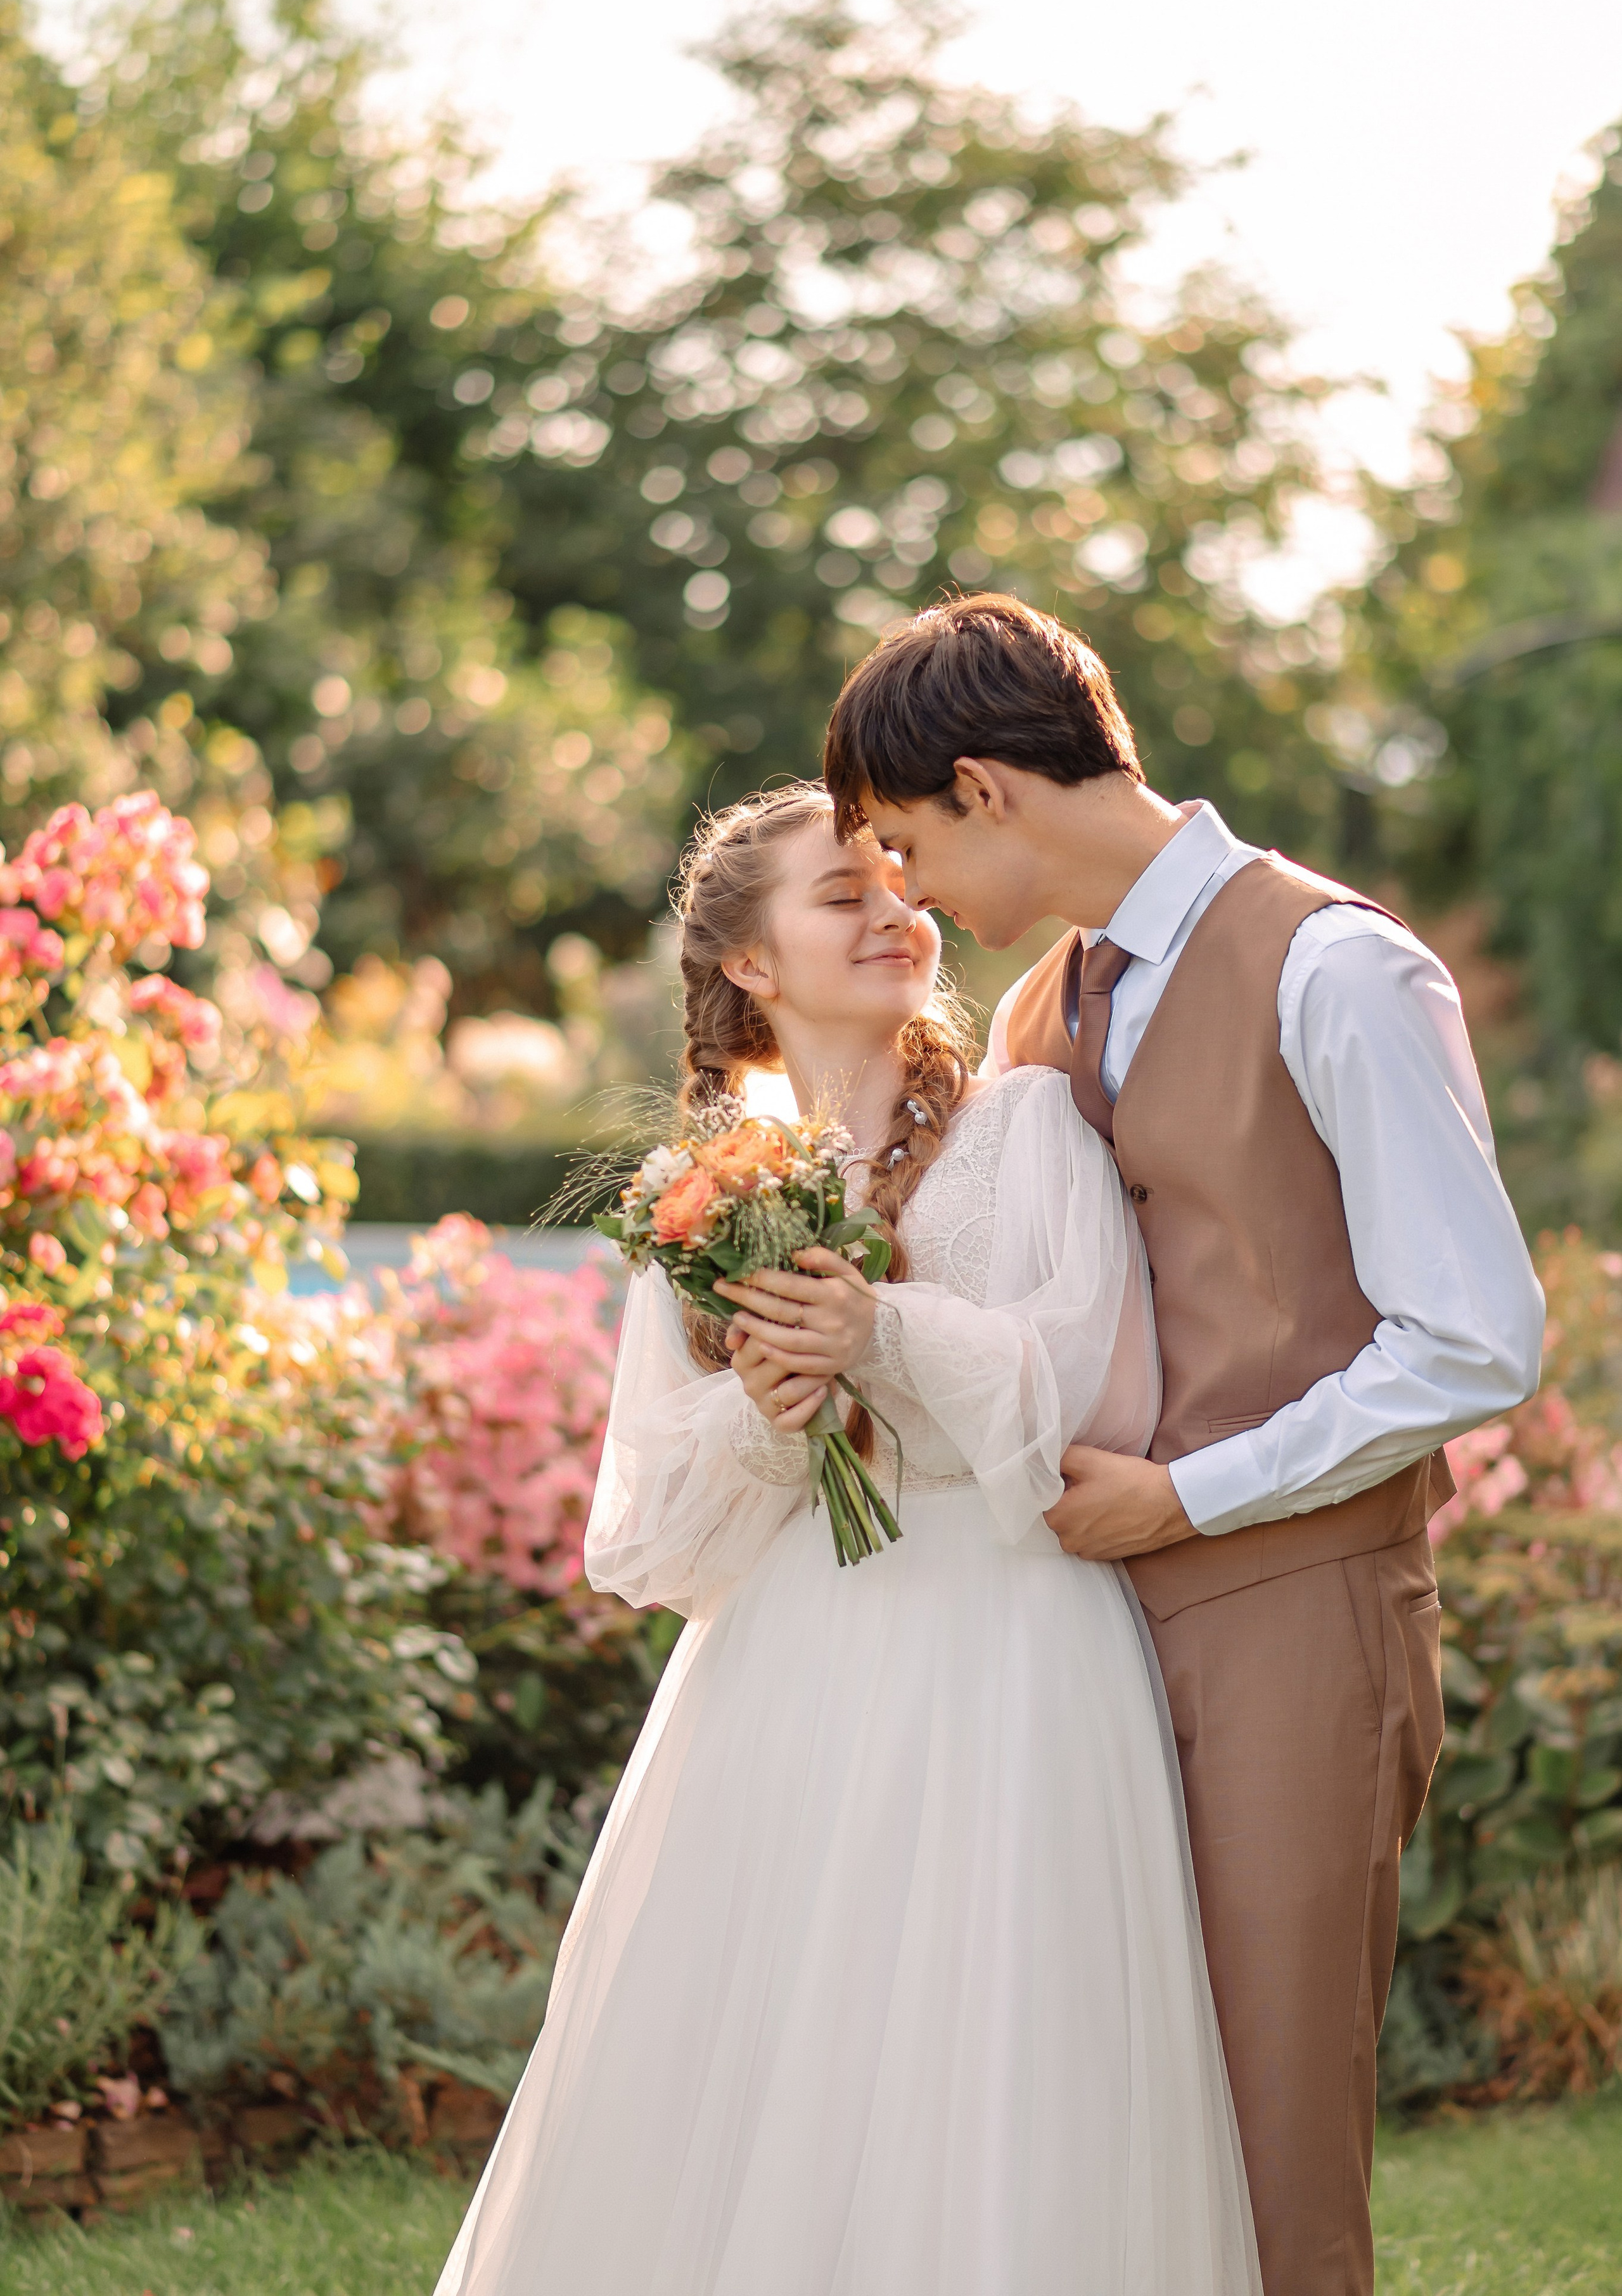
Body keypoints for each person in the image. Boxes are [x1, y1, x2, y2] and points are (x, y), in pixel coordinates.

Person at [435, 780, 1261, 2296]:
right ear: (747, 961)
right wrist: (767, 1405)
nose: (896, 912)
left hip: (1010, 1645)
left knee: (995, 2055)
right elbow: (655, 1540)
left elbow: (1099, 1381)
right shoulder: (696, 1201)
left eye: (902, 880)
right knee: (770, 2064)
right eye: (840, 893)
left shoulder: (1026, 1125)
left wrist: (877, 1331)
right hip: (791, 1667)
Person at [822, 591, 1546, 2296]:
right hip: (1067, 1644)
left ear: (989, 790)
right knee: (1098, 2131)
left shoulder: (1340, 967)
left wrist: (1190, 1495)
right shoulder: (1033, 1019)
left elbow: (1474, 1334)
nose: (908, 891)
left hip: (1297, 1614)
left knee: (1274, 2138)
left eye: (908, 843)